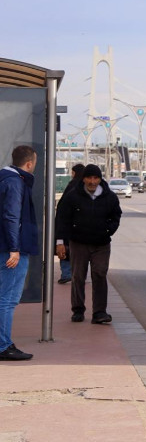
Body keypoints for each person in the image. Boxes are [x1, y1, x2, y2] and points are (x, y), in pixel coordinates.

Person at [55, 164, 122, 324]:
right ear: (83, 178)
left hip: (101, 244)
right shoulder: (72, 196)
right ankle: (78, 310)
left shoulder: (110, 197)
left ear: (100, 179)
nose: (92, 181)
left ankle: (99, 312)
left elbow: (116, 216)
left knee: (100, 274)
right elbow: (62, 220)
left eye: (96, 178)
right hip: (78, 243)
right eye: (89, 178)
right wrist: (60, 243)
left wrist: (108, 230)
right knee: (78, 276)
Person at [0, 145, 38, 361]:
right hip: (10, 249)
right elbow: (12, 216)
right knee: (8, 299)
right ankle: (3, 346)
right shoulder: (16, 182)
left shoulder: (3, 177)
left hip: (2, 246)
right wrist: (14, 249)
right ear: (29, 164)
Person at [55, 163, 84, 284]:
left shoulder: (71, 186)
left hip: (68, 225)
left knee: (65, 249)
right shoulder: (84, 186)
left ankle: (66, 273)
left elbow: (62, 206)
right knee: (80, 251)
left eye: (72, 172)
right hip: (81, 226)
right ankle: (78, 275)